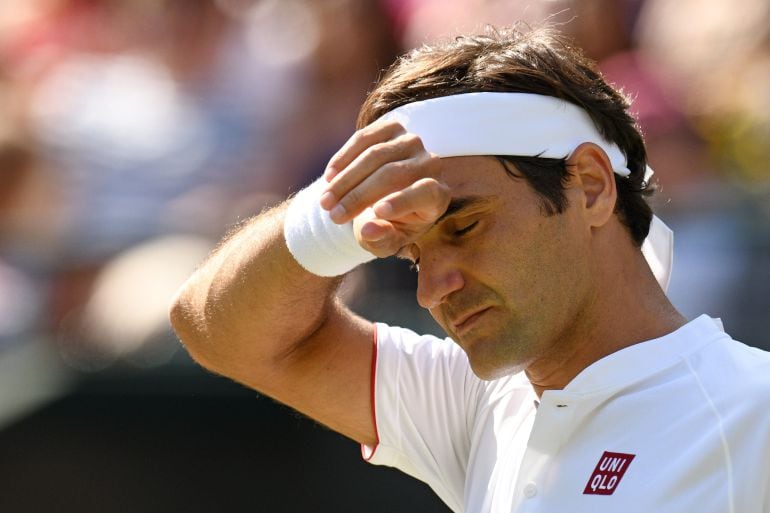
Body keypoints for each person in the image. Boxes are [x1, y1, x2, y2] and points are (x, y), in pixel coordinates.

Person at [169, 25, 770, 512]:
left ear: (589, 187)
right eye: (412, 254)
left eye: (464, 226)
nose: (432, 290)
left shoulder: (755, 414)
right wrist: (328, 221)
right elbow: (218, 332)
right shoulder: (478, 402)